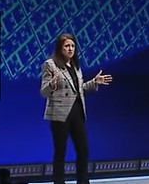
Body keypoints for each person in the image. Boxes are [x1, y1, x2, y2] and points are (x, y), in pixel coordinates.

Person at [40, 32, 113, 184]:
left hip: (77, 113)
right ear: (60, 48)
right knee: (60, 152)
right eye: (67, 46)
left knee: (83, 149)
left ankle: (83, 181)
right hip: (60, 115)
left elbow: (78, 90)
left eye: (73, 46)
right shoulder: (50, 64)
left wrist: (94, 82)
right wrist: (52, 84)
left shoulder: (75, 66)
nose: (70, 49)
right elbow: (43, 92)